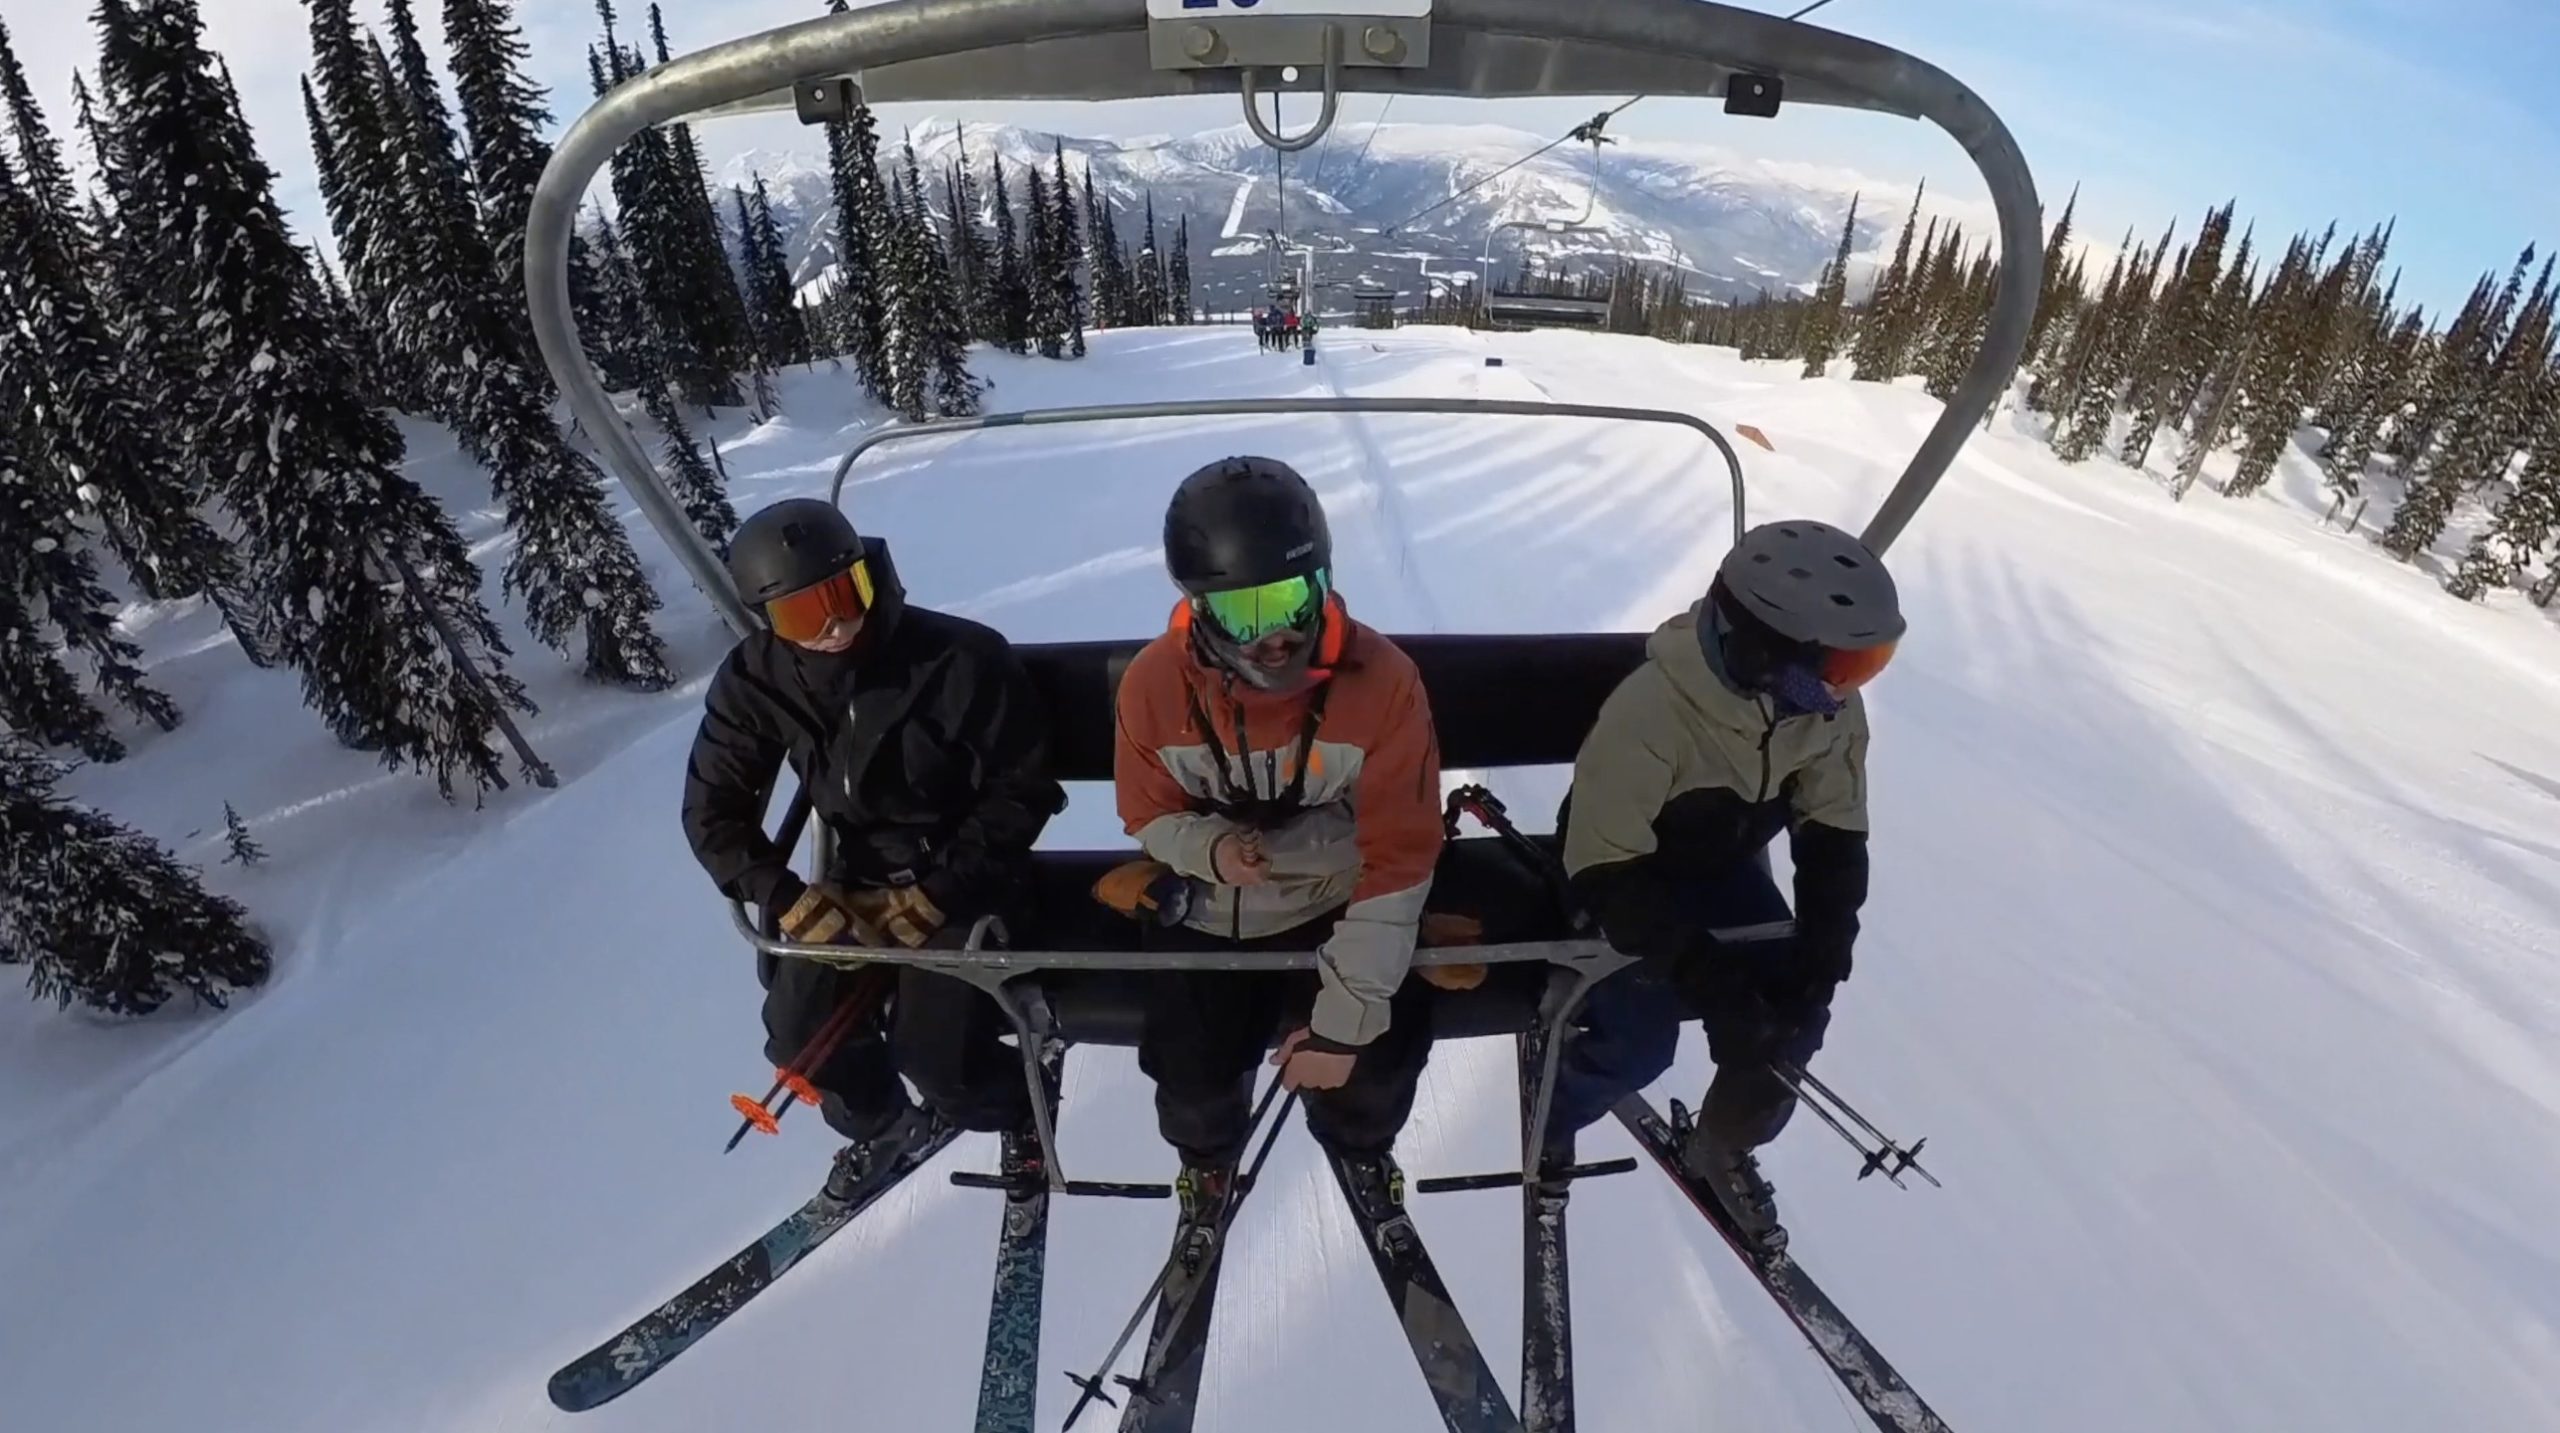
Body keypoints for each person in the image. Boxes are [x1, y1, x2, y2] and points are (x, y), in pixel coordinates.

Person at [682, 498, 1067, 1201]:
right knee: (798, 1036)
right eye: (804, 615)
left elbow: (1023, 791)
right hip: (856, 881)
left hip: (967, 877)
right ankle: (884, 1122)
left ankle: (1011, 1105)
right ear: (770, 621)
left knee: (933, 1054)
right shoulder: (757, 681)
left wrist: (942, 891)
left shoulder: (957, 658)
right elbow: (714, 812)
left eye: (844, 596)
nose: (834, 626)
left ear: (870, 577)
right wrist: (788, 896)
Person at [1106, 456, 1444, 1231]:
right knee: (1189, 1069)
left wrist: (1344, 1023)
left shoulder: (1382, 682)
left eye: (1291, 601)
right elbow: (1147, 811)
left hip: (1337, 899)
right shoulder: (1156, 687)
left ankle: (1361, 1144)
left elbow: (1399, 851)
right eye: (1242, 614)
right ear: (1199, 608)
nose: (1275, 637)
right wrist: (1209, 849)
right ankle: (1206, 1160)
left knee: (1381, 1052)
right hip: (1208, 911)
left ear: (1322, 582)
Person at [1549, 519, 1902, 1252]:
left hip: (1720, 870)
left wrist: (1823, 951)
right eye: (1841, 664)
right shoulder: (1653, 710)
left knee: (1791, 1023)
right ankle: (1555, 1112)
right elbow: (1602, 864)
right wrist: (1704, 975)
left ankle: (1723, 1143)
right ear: (1769, 649)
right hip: (1620, 876)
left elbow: (1834, 830)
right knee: (1640, 1041)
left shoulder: (1822, 710)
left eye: (1864, 666)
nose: (1849, 686)